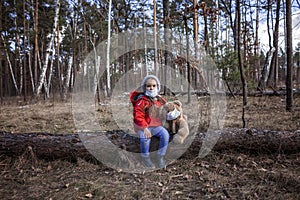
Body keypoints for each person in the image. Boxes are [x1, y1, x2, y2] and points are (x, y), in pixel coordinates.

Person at [130, 75, 170, 169]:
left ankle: (160, 156)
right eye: (148, 86)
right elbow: (138, 115)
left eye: (154, 86)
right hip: (142, 126)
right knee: (145, 138)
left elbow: (166, 110)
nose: (151, 88)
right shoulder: (142, 100)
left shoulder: (160, 100)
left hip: (156, 126)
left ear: (157, 87)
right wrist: (144, 128)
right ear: (145, 87)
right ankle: (145, 157)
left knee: (165, 135)